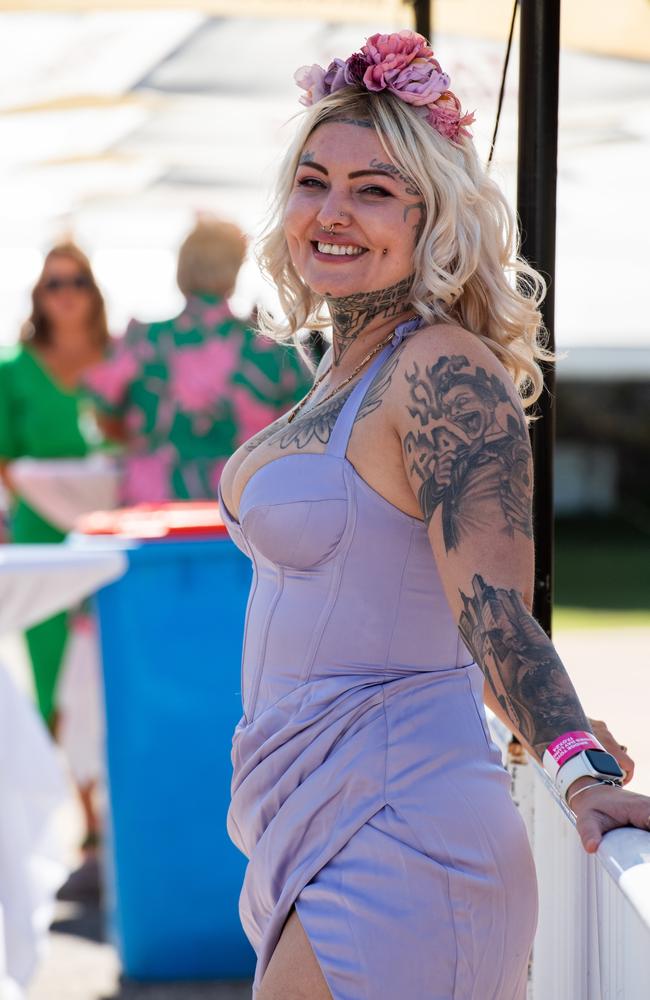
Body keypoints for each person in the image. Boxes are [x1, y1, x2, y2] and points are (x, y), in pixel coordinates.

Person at [217, 30, 649, 1000]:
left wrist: (576, 763)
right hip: (313, 820)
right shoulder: (338, 374)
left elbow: (493, 614)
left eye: (373, 190)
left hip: (401, 831)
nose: (332, 212)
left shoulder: (442, 369)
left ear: (432, 216)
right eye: (313, 180)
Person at [83, 218, 311, 504]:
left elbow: (104, 416)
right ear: (236, 270)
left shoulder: (142, 340)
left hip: (153, 505)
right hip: (244, 502)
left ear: (181, 270)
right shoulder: (270, 347)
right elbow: (304, 428)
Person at [0, 242, 107, 730]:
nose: (65, 294)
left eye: (76, 282)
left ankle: (99, 798)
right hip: (40, 533)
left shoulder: (119, 358)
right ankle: (63, 793)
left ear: (93, 292)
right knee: (48, 670)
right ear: (38, 295)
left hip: (110, 528)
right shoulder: (13, 369)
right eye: (54, 284)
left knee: (109, 661)